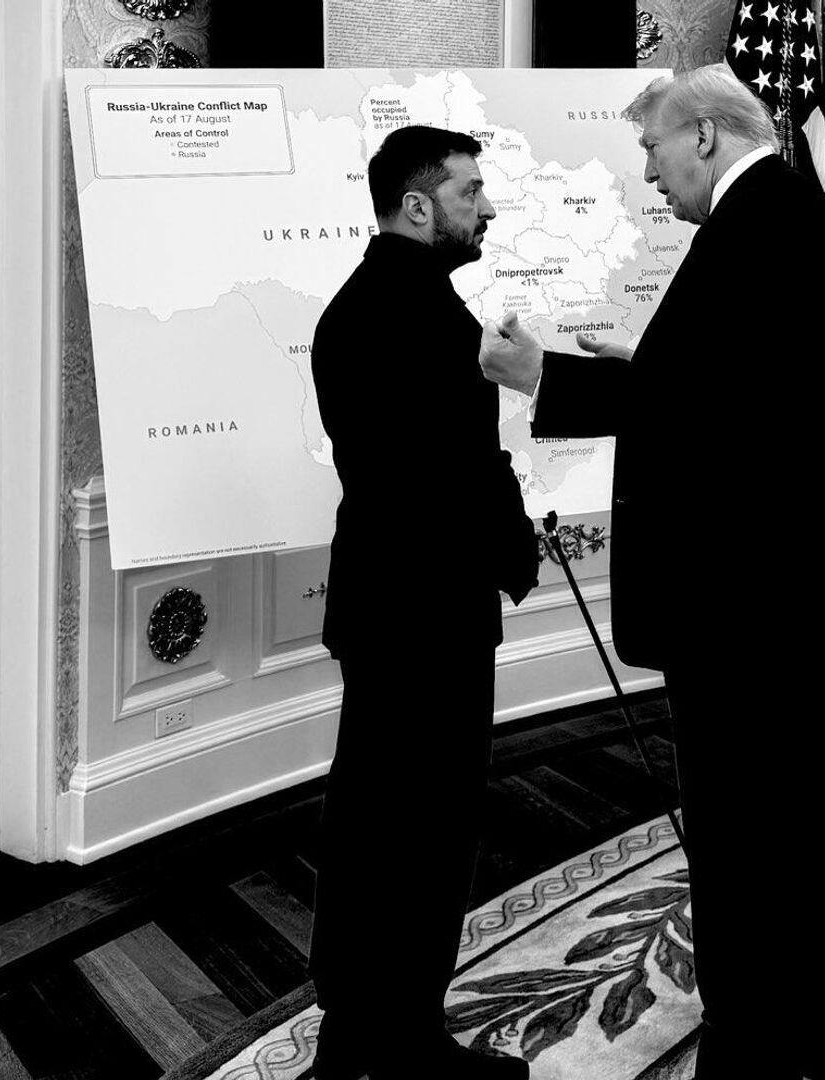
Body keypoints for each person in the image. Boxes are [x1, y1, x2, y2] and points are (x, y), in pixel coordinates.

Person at [478, 64, 825, 1080]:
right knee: (786, 833)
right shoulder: (789, 220)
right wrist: (646, 366)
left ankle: (760, 1049)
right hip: (779, 599)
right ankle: (797, 1042)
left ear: (703, 135)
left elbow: (726, 412)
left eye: (653, 150)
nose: (649, 176)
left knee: (752, 840)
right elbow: (752, 395)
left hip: (748, 608)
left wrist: (541, 376)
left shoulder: (761, 228)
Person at [305, 125, 538, 1080]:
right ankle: (403, 1048)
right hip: (429, 611)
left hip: (385, 601)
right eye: (469, 191)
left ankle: (357, 1037)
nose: (487, 207)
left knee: (374, 819)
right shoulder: (426, 320)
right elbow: (451, 472)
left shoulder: (359, 306)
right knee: (426, 832)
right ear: (416, 205)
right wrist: (515, 544)